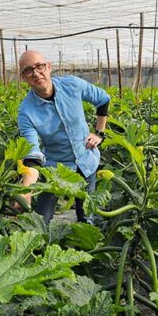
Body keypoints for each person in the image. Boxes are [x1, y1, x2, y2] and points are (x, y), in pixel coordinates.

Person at [17, 50, 110, 224]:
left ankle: (84, 246)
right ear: (23, 77)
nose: (36, 73)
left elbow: (103, 99)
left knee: (87, 218)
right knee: (40, 220)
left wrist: (99, 133)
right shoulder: (26, 111)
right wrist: (26, 190)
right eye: (29, 70)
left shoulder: (72, 85)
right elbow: (32, 153)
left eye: (40, 66)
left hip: (86, 160)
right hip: (56, 169)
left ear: (49, 67)